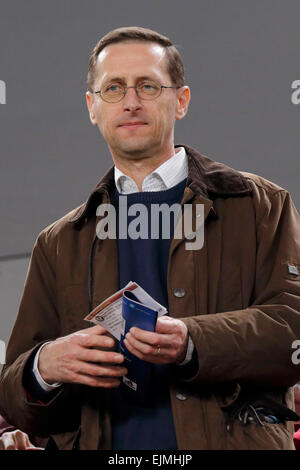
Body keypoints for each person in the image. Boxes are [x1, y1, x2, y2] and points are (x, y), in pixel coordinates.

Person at [0, 26, 300, 450]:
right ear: (92, 107)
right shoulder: (59, 242)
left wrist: (191, 341)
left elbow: (293, 329)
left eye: (147, 85)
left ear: (181, 101)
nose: (131, 101)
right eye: (113, 88)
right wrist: (42, 368)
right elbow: (17, 400)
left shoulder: (259, 205)